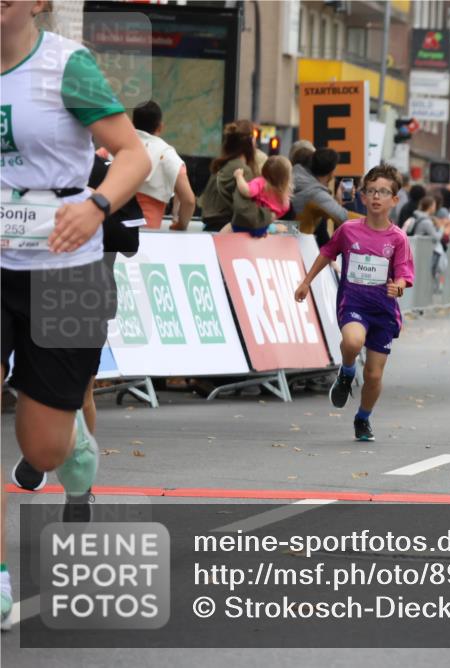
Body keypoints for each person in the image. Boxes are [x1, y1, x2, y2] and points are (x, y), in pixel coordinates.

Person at [1, 0, 150, 630]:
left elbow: (134, 155)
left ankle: (74, 446)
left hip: (69, 273)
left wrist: (97, 203)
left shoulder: (67, 66)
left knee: (44, 443)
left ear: (38, 3)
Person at [294, 164, 414, 442]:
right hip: (354, 303)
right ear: (362, 196)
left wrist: (399, 286)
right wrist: (306, 281)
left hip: (383, 311)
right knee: (352, 342)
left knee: (373, 375)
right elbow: (327, 252)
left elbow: (404, 273)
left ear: (394, 200)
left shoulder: (397, 238)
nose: (376, 196)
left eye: (383, 192)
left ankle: (363, 418)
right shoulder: (348, 230)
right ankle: (347, 371)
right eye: (371, 191)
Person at [130, 100, 195, 231]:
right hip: (149, 231)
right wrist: (181, 225)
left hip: (112, 228)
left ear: (132, 123)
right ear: (160, 127)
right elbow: (189, 200)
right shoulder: (168, 155)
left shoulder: (114, 147)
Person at [199, 120, 259, 232]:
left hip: (211, 231)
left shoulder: (220, 167)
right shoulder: (242, 171)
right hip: (229, 234)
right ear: (249, 142)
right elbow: (246, 213)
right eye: (254, 136)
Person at [232, 155, 292, 236]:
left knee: (229, 226)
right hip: (264, 228)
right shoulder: (285, 200)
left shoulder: (261, 182)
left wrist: (238, 176)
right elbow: (276, 215)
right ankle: (272, 228)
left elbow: (247, 191)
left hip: (247, 225)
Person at [409, 195, 448, 288]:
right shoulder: (426, 221)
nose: (435, 208)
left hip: (416, 251)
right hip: (422, 254)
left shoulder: (415, 217)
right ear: (430, 206)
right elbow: (437, 237)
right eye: (434, 205)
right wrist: (441, 227)